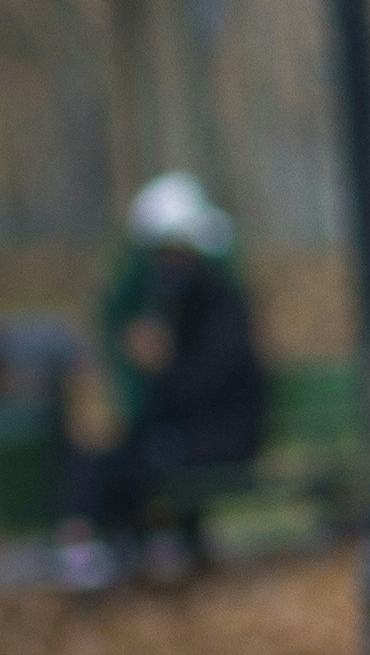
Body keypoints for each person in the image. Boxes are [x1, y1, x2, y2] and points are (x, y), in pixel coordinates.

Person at [55, 172, 267, 593]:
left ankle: (132, 547)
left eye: (175, 257)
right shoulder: (173, 305)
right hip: (191, 432)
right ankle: (103, 545)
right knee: (101, 456)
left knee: (141, 460)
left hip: (224, 434)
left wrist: (165, 364)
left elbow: (213, 383)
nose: (168, 268)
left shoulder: (221, 306)